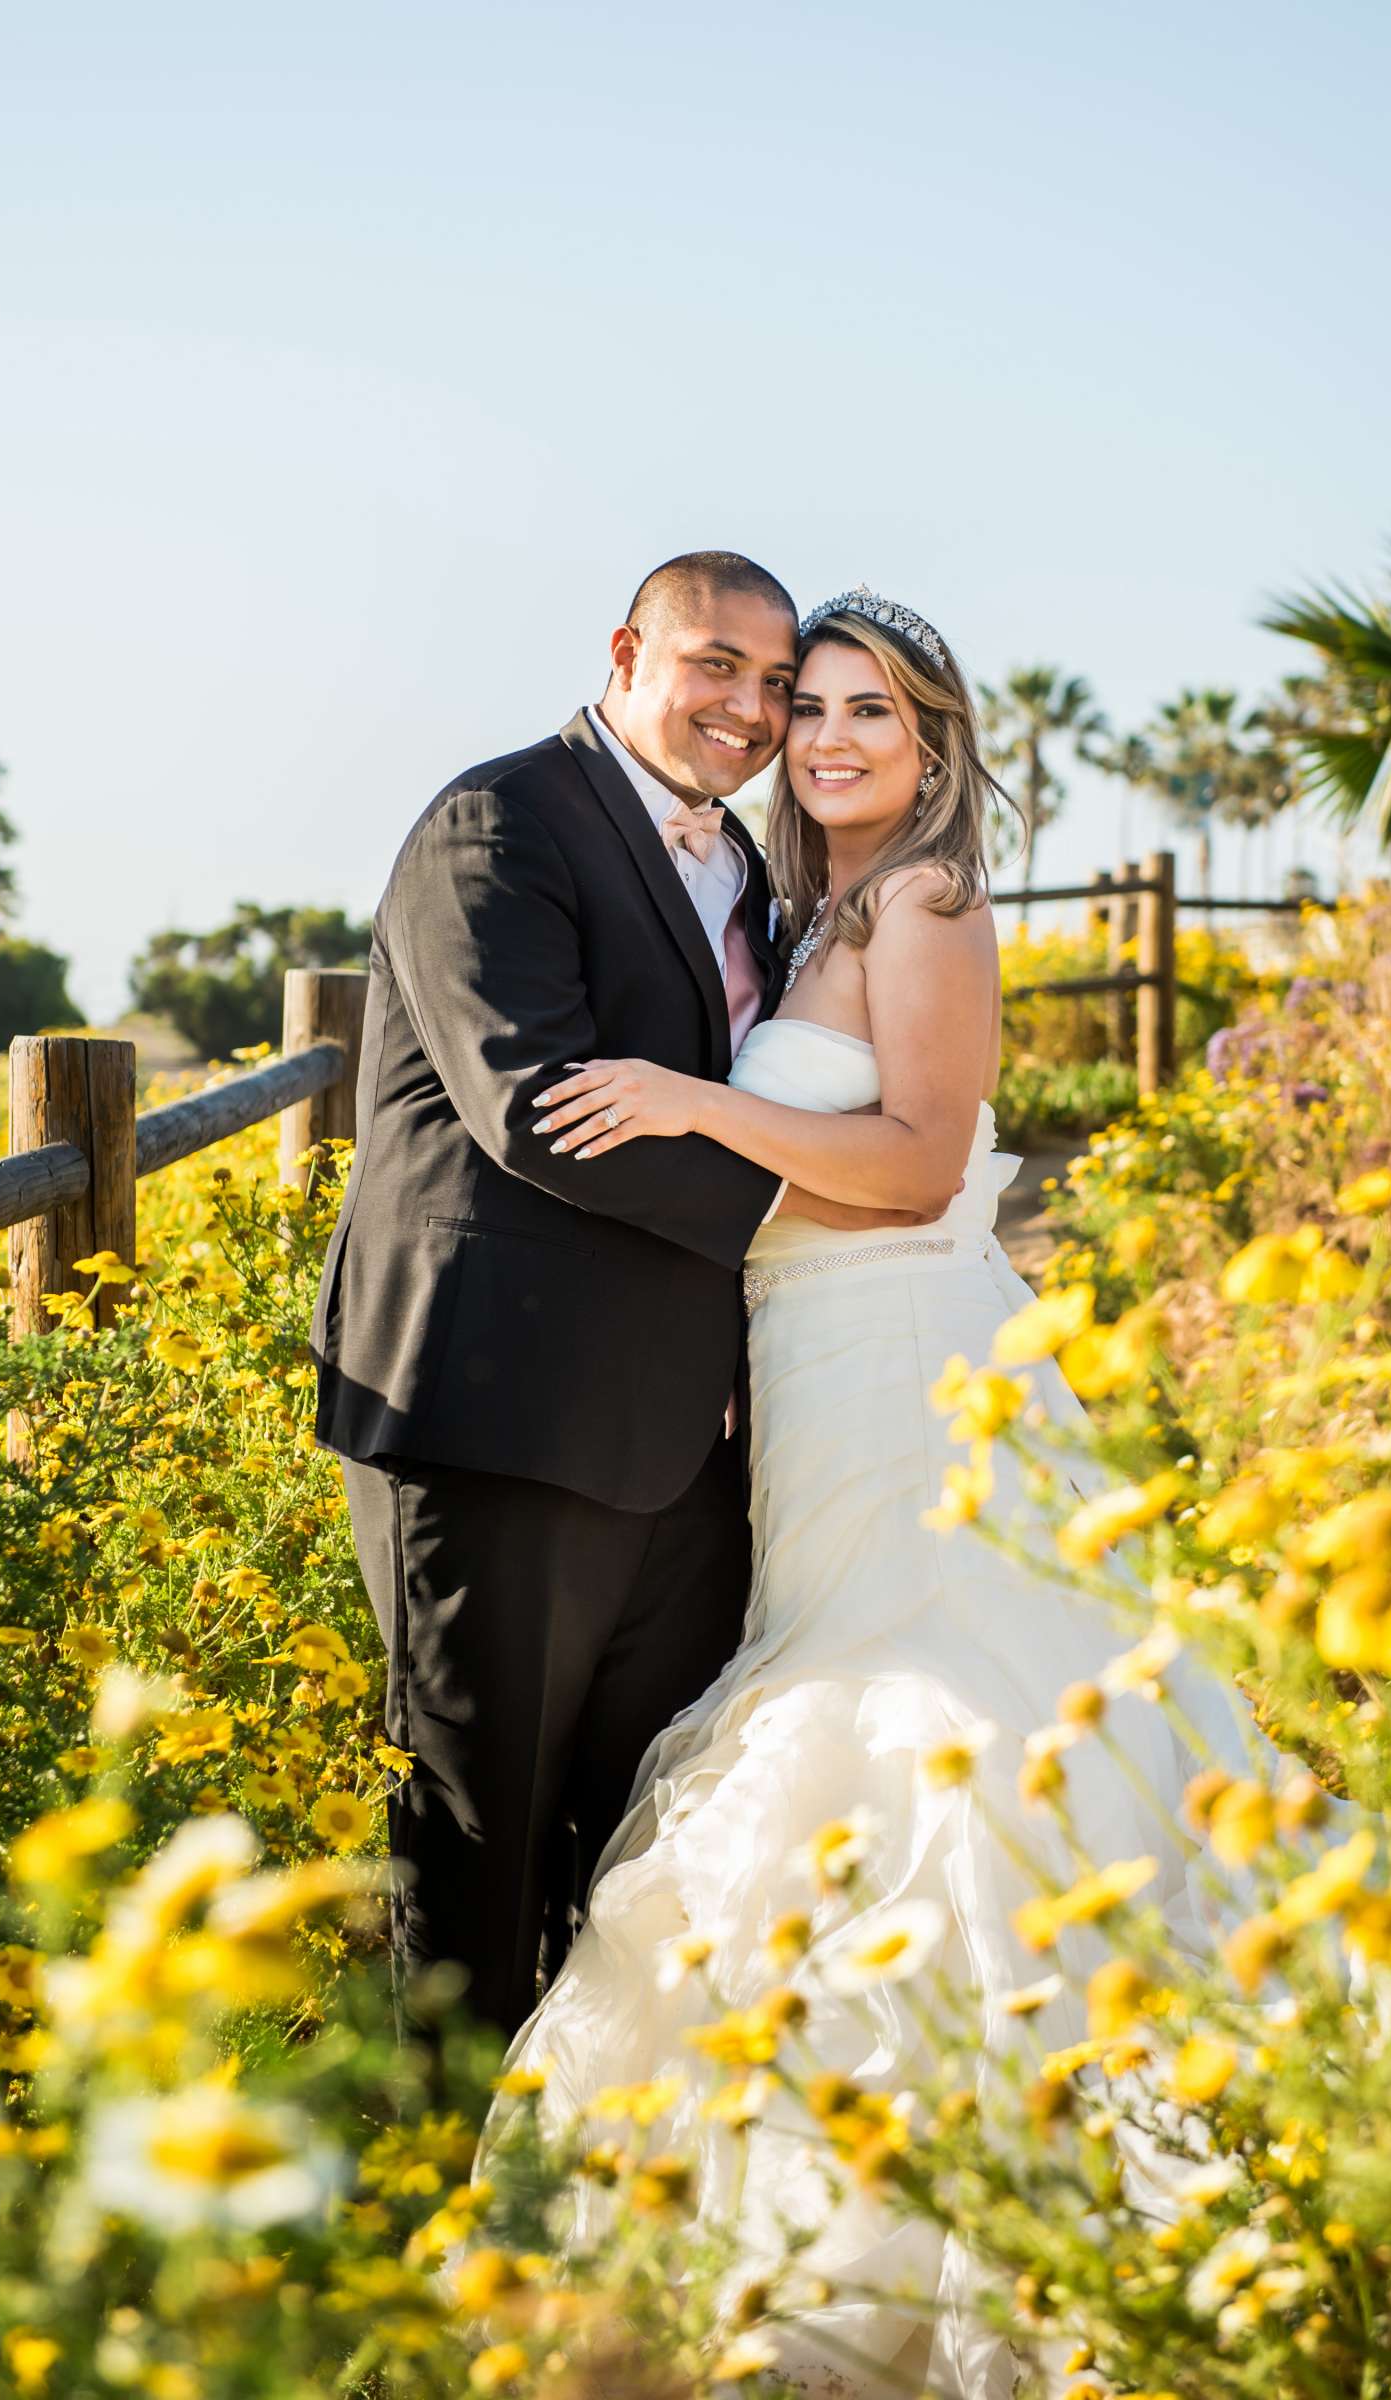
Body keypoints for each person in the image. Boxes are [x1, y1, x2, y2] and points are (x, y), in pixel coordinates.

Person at [483, 589, 1244, 2397]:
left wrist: (689, 1100)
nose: (826, 740)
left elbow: (910, 1166)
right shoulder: (810, 906)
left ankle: (1003, 2188)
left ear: (935, 745)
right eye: (808, 708)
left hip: (907, 1360)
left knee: (938, 1733)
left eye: (870, 716)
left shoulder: (928, 902)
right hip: (810, 1376)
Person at [310, 553, 936, 2038]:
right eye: (716, 665)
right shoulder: (498, 824)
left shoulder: (753, 866)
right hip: (498, 1419)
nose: (751, 708)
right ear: (628, 652)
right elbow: (537, 1111)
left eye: (776, 685)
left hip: (693, 1440)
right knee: (478, 1844)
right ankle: (438, 2204)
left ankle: (595, 2183)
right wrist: (836, 1203)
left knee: (644, 1839)